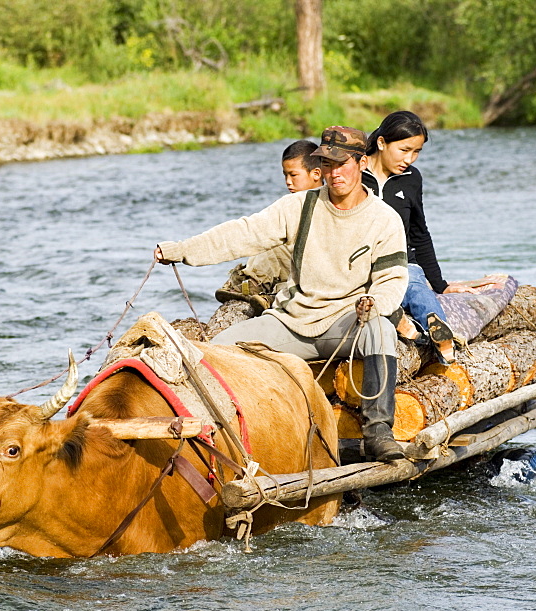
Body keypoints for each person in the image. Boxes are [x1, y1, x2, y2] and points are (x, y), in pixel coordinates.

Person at [155, 126, 409, 462]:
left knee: (382, 330)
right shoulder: (299, 207)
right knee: (215, 350)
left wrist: (375, 303)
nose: (334, 174)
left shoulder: (384, 219)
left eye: (342, 164)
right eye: (327, 165)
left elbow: (393, 277)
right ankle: (210, 436)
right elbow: (242, 233)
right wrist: (183, 250)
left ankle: (378, 432)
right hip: (293, 320)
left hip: (348, 323)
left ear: (361, 163)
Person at [362, 110, 484, 363]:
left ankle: (441, 334)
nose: (410, 159)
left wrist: (441, 284)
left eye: (416, 152)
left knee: (415, 285)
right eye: (404, 149)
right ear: (382, 143)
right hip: (362, 263)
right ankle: (397, 317)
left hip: (402, 261)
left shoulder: (411, 178)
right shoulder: (354, 175)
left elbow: (419, 231)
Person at [214, 139, 323, 312]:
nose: (288, 181)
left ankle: (253, 284)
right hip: (297, 268)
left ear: (316, 174)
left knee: (273, 246)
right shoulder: (291, 204)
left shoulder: (322, 201)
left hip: (314, 270)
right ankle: (261, 290)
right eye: (285, 175)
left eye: (293, 175)